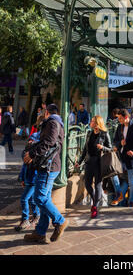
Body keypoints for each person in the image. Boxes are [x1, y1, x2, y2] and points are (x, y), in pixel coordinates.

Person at [23, 103, 68, 244]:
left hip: (49, 166)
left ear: (47, 112)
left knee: (40, 198)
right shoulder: (55, 122)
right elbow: (46, 141)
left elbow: (49, 142)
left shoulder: (53, 123)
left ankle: (60, 221)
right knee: (44, 198)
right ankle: (40, 232)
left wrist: (32, 153)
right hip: (49, 165)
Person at [76, 115, 112, 218]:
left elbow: (110, 149)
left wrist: (102, 147)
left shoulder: (104, 134)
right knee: (87, 184)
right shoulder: (89, 133)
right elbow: (84, 149)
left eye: (92, 121)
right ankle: (95, 199)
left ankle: (95, 206)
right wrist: (79, 161)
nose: (90, 123)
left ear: (97, 123)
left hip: (99, 162)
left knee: (97, 184)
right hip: (89, 161)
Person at [15, 133, 41, 232]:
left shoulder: (36, 154)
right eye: (30, 139)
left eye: (32, 140)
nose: (30, 141)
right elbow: (24, 167)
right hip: (28, 180)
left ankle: (25, 219)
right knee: (31, 200)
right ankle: (36, 215)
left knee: (24, 199)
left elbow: (37, 168)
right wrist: (22, 178)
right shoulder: (26, 152)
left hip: (34, 181)